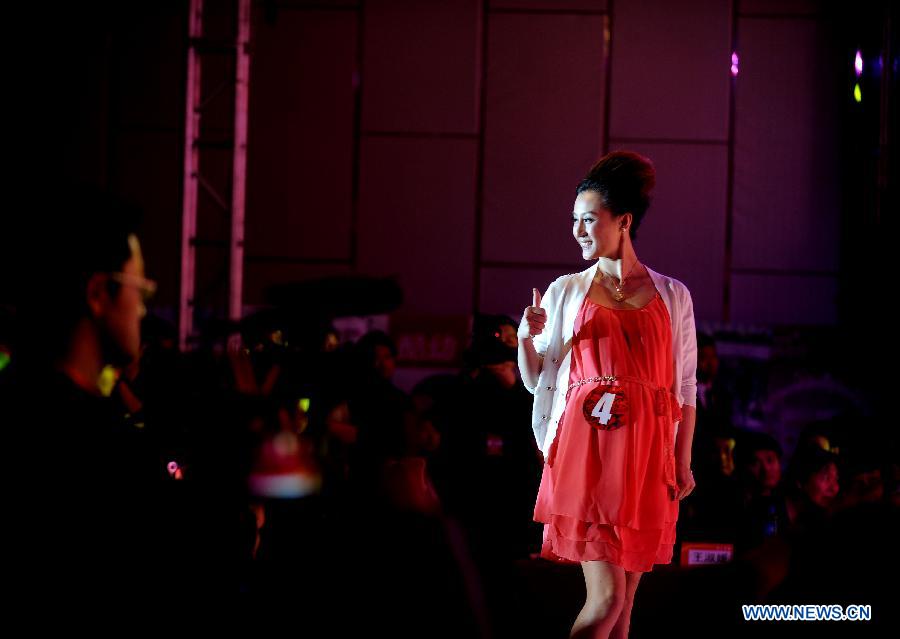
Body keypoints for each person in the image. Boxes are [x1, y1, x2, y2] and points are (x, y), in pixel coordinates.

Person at [517, 151, 698, 639]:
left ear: (624, 221)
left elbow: (684, 388)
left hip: (646, 457)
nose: (577, 230)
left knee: (627, 607)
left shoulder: (673, 295)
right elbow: (538, 379)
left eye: (588, 220)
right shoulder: (564, 291)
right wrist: (524, 337)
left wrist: (682, 462)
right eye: (573, 220)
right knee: (608, 598)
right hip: (588, 452)